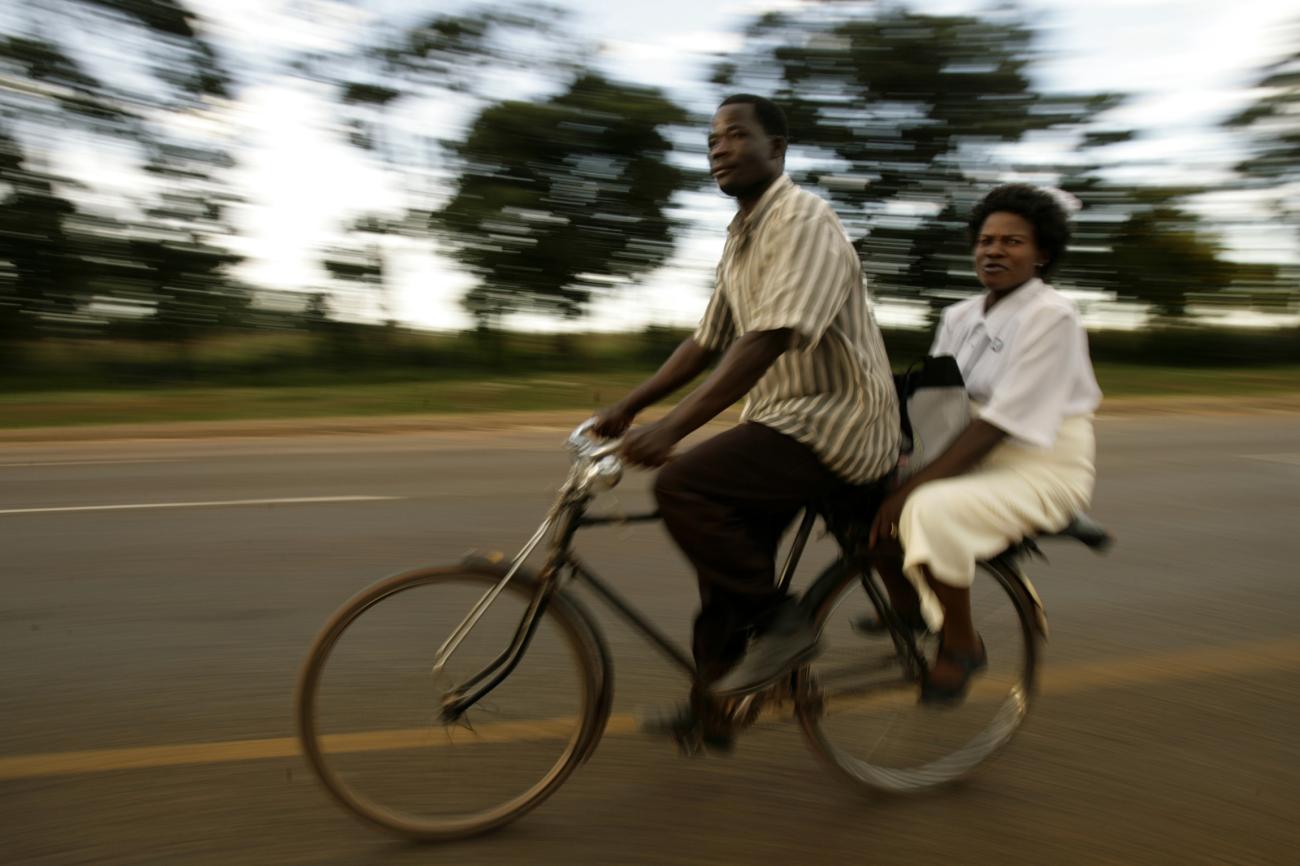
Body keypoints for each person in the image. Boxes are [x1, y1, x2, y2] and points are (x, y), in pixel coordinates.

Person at [593, 94, 899, 746]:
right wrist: (628, 406)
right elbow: (706, 342)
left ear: (776, 150)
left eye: (736, 135)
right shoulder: (741, 237)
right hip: (785, 421)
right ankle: (716, 710)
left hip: (838, 422)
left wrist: (673, 429)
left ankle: (786, 627)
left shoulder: (804, 221)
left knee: (685, 487)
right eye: (712, 141)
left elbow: (767, 339)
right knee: (723, 571)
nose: (719, 148)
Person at [867, 183, 1101, 704]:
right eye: (986, 240)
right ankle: (913, 609)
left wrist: (913, 485)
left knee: (925, 506)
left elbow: (1001, 422)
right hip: (963, 450)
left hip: (1037, 465)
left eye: (1012, 241)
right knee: (859, 491)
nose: (994, 250)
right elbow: (937, 400)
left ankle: (960, 643)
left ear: (1042, 254)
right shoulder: (959, 316)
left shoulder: (1052, 315)